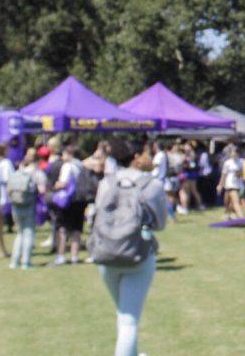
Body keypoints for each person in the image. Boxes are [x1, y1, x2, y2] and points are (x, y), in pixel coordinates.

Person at [93, 138, 167, 356]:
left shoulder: (106, 183)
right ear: (135, 157)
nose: (150, 157)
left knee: (123, 313)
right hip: (138, 254)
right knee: (129, 320)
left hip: (105, 253)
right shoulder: (151, 185)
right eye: (147, 153)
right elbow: (161, 224)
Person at [8, 147, 46, 269]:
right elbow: (42, 190)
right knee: (29, 232)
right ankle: (26, 261)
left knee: (20, 233)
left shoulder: (19, 171)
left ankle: (14, 261)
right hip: (29, 205)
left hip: (16, 205)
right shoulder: (37, 173)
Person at [53, 146, 88, 265]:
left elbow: (64, 183)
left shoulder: (67, 166)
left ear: (69, 154)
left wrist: (55, 185)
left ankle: (61, 255)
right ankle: (74, 256)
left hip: (68, 200)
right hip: (81, 200)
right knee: (76, 229)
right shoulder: (82, 166)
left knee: (62, 228)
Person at [216, 145, 245, 220]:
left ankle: (242, 218)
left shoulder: (241, 161)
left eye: (235, 153)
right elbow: (224, 175)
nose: (234, 154)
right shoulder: (227, 163)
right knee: (227, 202)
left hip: (238, 185)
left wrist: (239, 172)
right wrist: (220, 185)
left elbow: (242, 174)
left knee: (235, 202)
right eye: (232, 153)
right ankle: (229, 215)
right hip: (229, 185)